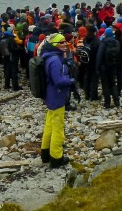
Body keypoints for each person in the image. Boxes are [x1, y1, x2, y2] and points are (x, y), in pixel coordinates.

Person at [40, 33, 76, 168]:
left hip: (51, 96)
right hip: (57, 96)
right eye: (61, 43)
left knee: (49, 125)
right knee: (58, 128)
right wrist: (71, 80)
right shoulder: (55, 60)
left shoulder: (50, 57)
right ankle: (56, 158)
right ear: (54, 45)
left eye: (65, 42)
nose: (64, 45)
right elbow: (58, 80)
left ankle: (45, 154)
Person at [96, 28, 122, 108]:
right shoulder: (116, 42)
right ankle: (116, 101)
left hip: (104, 66)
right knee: (113, 83)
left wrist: (97, 68)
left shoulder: (103, 43)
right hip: (113, 66)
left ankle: (107, 102)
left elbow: (99, 56)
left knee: (105, 85)